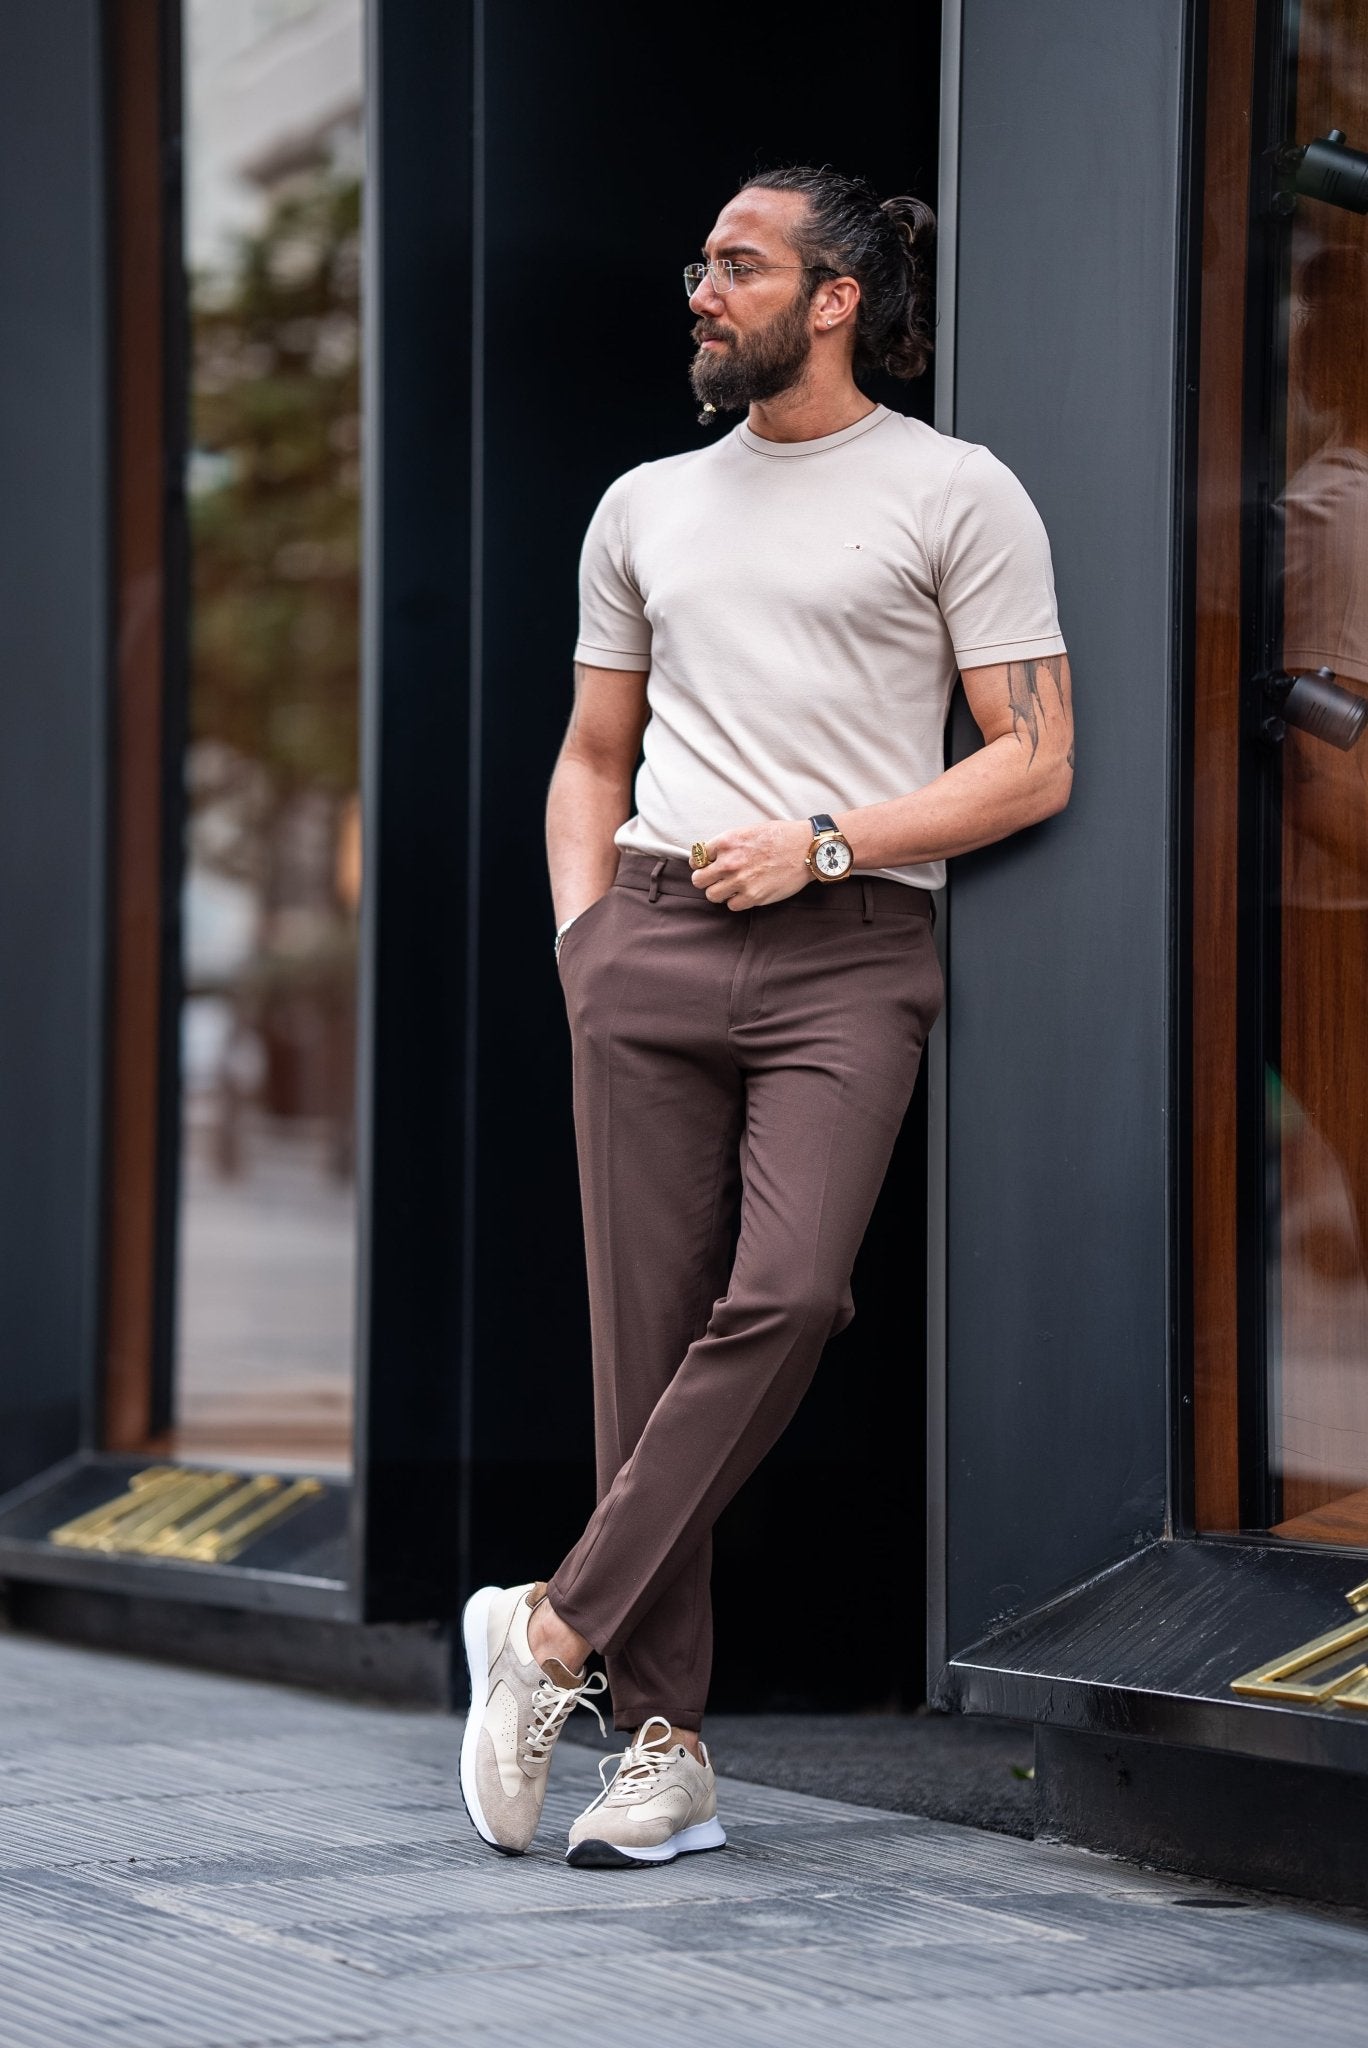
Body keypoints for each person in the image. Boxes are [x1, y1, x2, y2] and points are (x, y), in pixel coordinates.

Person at [459, 163, 1074, 1868]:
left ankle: (548, 1633)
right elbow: (592, 755)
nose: (700, 293)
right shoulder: (645, 501)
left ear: (836, 299)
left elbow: (1036, 757)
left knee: (791, 1296)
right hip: (646, 942)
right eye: (699, 266)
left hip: (851, 945)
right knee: (639, 1353)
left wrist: (828, 843)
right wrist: (586, 944)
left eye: (739, 267)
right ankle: (659, 1755)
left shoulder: (957, 491)